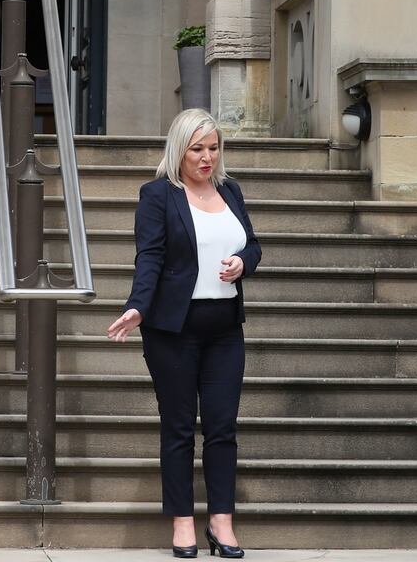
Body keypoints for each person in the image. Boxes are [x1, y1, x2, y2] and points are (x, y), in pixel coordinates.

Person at [107, 108, 261, 559]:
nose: (207, 157)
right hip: (172, 331)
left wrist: (243, 263)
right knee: (178, 428)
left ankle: (221, 521)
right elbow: (149, 256)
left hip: (225, 330)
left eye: (213, 148)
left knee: (222, 427)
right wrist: (138, 305)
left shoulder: (230, 190)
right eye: (198, 149)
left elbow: (252, 244)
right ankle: (181, 522)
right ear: (179, 149)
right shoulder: (158, 195)